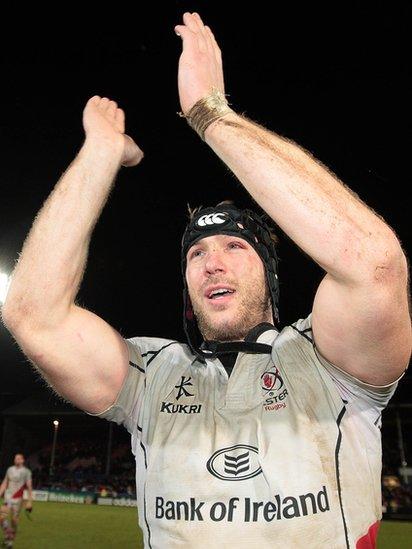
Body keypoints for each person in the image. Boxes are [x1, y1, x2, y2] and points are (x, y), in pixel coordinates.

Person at [1, 11, 410, 549]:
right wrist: (98, 154)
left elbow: (374, 265)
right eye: (196, 254)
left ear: (269, 271)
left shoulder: (331, 364)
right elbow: (34, 315)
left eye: (235, 247)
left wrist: (209, 113)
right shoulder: (150, 379)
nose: (211, 262)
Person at [0, 454, 33, 548]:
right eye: (15, 458)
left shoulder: (27, 472)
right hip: (8, 497)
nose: (16, 460)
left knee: (14, 521)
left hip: (18, 499)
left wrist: (30, 501)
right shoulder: (10, 469)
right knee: (1, 517)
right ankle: (8, 535)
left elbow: (29, 486)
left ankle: (10, 541)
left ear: (22, 460)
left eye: (18, 458)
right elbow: (5, 482)